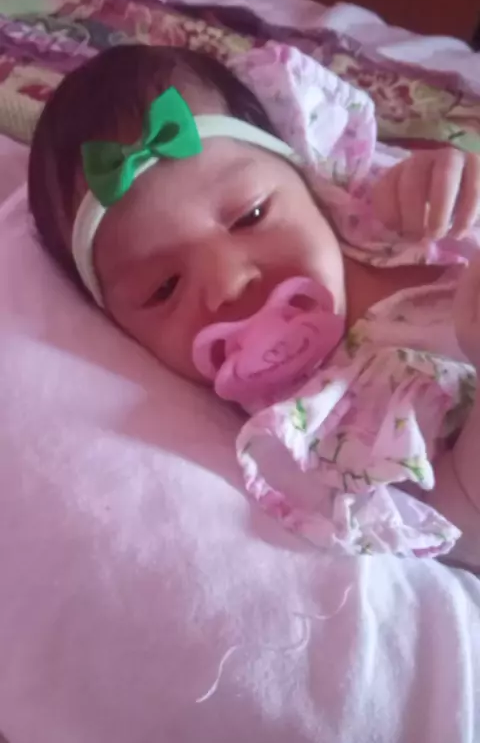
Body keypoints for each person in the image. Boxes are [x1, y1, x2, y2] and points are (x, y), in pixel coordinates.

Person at [28, 41, 480, 569]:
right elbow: (460, 531)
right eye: (164, 287)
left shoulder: (375, 207)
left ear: (299, 174)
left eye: (251, 216)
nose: (229, 280)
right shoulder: (324, 433)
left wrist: (449, 181)